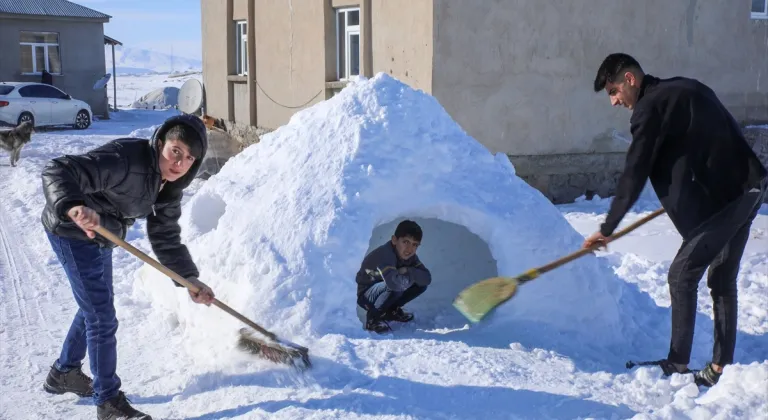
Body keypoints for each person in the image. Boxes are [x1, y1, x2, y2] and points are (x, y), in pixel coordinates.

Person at [586, 53, 768, 387]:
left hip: (729, 199)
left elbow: (635, 170)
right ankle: (719, 369)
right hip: (749, 186)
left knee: (681, 275)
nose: (614, 101)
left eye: (613, 91)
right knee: (722, 278)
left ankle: (677, 363)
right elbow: (700, 142)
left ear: (630, 79)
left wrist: (608, 228)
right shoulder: (680, 89)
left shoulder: (649, 107)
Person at [40, 114, 217, 419]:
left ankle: (64, 372)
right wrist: (73, 205)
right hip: (72, 229)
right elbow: (59, 169)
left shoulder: (168, 186)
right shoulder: (126, 159)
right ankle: (108, 403)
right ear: (160, 142)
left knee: (94, 306)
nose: (180, 163)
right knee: (101, 316)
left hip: (103, 232)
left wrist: (189, 279)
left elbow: (164, 237)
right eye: (176, 151)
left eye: (190, 158)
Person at [355, 220, 432, 333]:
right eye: (406, 242)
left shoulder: (410, 257)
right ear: (394, 240)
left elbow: (426, 279)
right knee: (396, 285)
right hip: (366, 295)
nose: (410, 249)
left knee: (420, 285)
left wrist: (408, 270)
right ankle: (373, 319)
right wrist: (410, 276)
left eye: (415, 245)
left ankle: (390, 311)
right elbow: (393, 284)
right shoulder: (385, 254)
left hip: (385, 288)